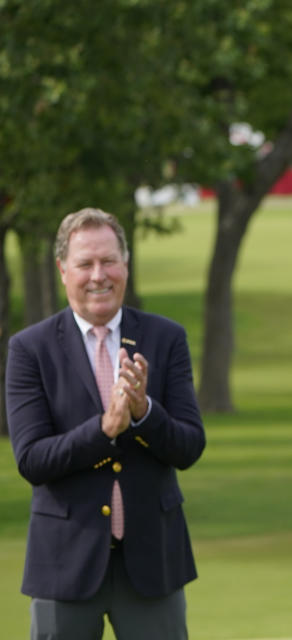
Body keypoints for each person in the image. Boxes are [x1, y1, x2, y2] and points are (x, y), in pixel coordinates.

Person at [7, 208, 205, 640]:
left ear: (126, 265)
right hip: (64, 565)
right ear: (63, 270)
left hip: (153, 563)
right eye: (85, 263)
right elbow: (32, 459)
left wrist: (145, 414)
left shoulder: (165, 337)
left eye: (109, 261)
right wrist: (106, 427)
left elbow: (190, 446)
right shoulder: (29, 349)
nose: (99, 275)